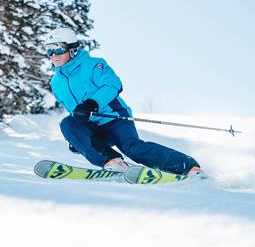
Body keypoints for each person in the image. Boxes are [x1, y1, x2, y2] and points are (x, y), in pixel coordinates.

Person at [45, 27, 203, 176]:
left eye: (58, 48)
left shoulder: (93, 65)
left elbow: (113, 85)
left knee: (132, 148)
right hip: (93, 127)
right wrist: (77, 137)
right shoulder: (56, 82)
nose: (53, 54)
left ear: (72, 48)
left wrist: (92, 103)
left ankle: (188, 167)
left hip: (114, 118)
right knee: (67, 123)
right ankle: (113, 162)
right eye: (49, 50)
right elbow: (73, 111)